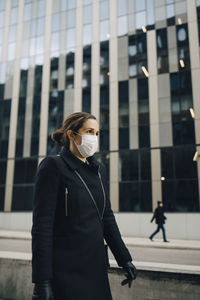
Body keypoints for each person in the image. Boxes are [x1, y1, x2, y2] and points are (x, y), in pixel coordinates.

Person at [31, 112, 137, 300]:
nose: (94, 138)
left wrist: (124, 259)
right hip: (65, 271)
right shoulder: (53, 166)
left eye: (97, 133)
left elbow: (107, 217)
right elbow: (42, 228)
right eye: (89, 131)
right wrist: (42, 281)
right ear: (72, 135)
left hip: (95, 267)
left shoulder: (99, 170)